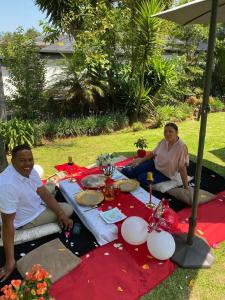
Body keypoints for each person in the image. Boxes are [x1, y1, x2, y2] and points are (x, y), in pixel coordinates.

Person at [0, 144, 74, 281]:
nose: (27, 164)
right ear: (13, 161)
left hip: (33, 200)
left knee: (50, 187)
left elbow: (43, 192)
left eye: (30, 159)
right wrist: (10, 261)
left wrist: (60, 214)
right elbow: (7, 223)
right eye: (22, 160)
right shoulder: (8, 185)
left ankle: (54, 201)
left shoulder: (29, 170)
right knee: (68, 209)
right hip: (29, 218)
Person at [122, 123, 189, 189]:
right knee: (130, 171)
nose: (167, 134)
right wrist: (140, 160)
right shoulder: (164, 141)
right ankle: (120, 170)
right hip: (154, 164)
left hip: (164, 174)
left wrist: (186, 186)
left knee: (141, 178)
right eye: (165, 131)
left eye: (170, 131)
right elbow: (153, 153)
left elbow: (182, 167)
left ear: (177, 132)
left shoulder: (182, 147)